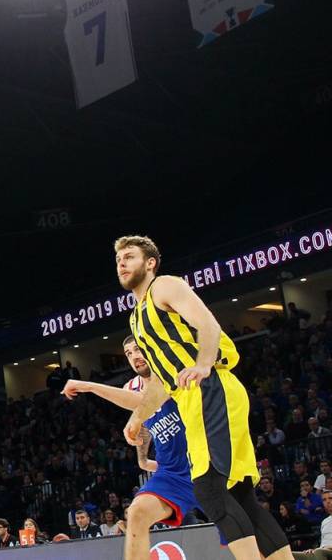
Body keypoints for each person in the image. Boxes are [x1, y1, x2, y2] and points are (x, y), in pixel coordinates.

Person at [117, 236, 295, 560]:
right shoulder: (136, 317)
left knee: (209, 490)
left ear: (150, 262)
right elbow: (161, 380)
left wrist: (202, 364)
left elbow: (208, 325)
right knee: (238, 494)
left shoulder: (164, 287)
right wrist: (139, 415)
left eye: (130, 256)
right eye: (118, 258)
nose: (122, 263)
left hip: (211, 388)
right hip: (191, 399)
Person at [63, 336, 199, 558]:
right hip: (172, 472)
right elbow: (144, 421)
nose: (134, 356)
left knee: (242, 529)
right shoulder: (131, 386)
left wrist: (87, 386)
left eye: (138, 349)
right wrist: (142, 458)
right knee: (136, 512)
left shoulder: (170, 369)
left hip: (204, 462)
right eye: (128, 353)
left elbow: (144, 402)